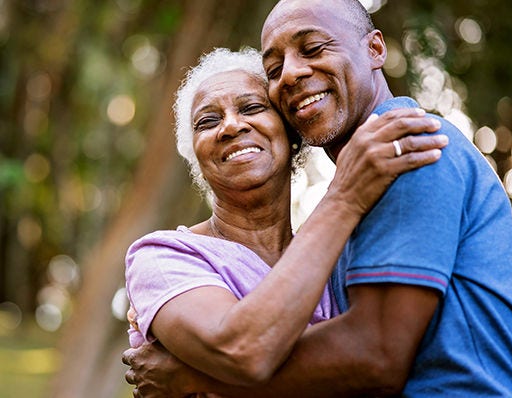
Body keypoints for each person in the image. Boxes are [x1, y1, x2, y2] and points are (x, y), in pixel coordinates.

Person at [123, 0, 512, 396]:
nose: (290, 74)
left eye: (312, 47)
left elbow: (374, 355)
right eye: (274, 70)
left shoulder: (404, 146)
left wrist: (192, 375)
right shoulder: (335, 222)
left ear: (376, 48)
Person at [121, 45, 446, 396]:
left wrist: (194, 376)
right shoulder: (164, 258)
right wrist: (345, 194)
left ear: (291, 135)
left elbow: (375, 360)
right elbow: (242, 349)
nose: (231, 126)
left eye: (252, 108)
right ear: (195, 157)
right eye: (208, 121)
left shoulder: (340, 256)